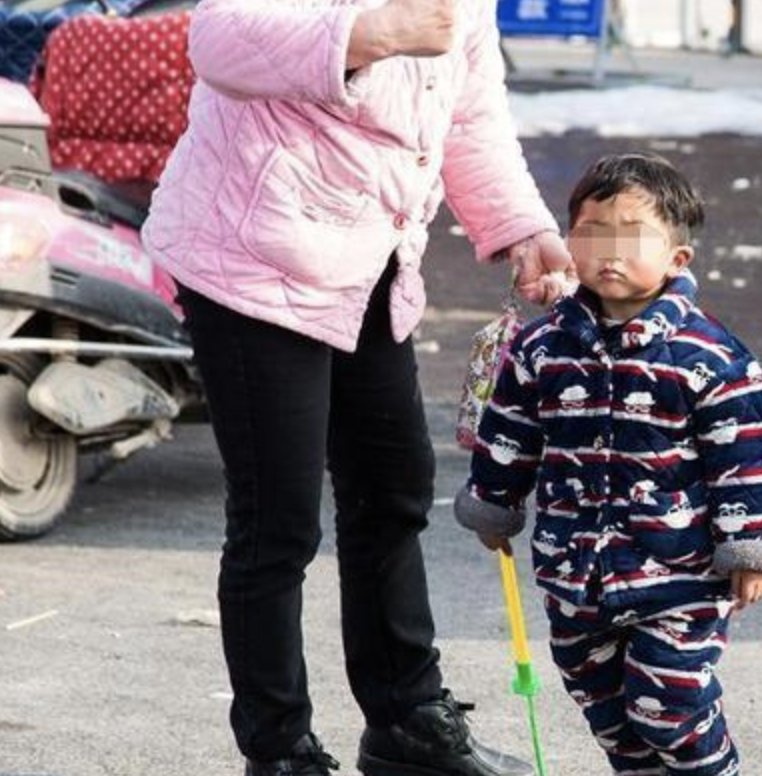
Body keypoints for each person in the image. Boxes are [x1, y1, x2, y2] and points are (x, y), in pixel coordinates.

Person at [140, 1, 573, 774]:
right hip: (252, 256)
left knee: (394, 486)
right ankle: (279, 751)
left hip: (366, 262)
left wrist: (522, 227)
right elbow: (217, 38)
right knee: (278, 520)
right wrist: (370, 33)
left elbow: (469, 116)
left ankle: (406, 718)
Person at [453, 153, 762, 776]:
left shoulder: (709, 355)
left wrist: (749, 547)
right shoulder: (542, 348)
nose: (609, 250)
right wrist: (494, 501)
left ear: (676, 258)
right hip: (573, 574)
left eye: (630, 236)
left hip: (677, 574)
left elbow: (744, 458)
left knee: (668, 705)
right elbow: (511, 431)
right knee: (609, 713)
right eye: (591, 232)